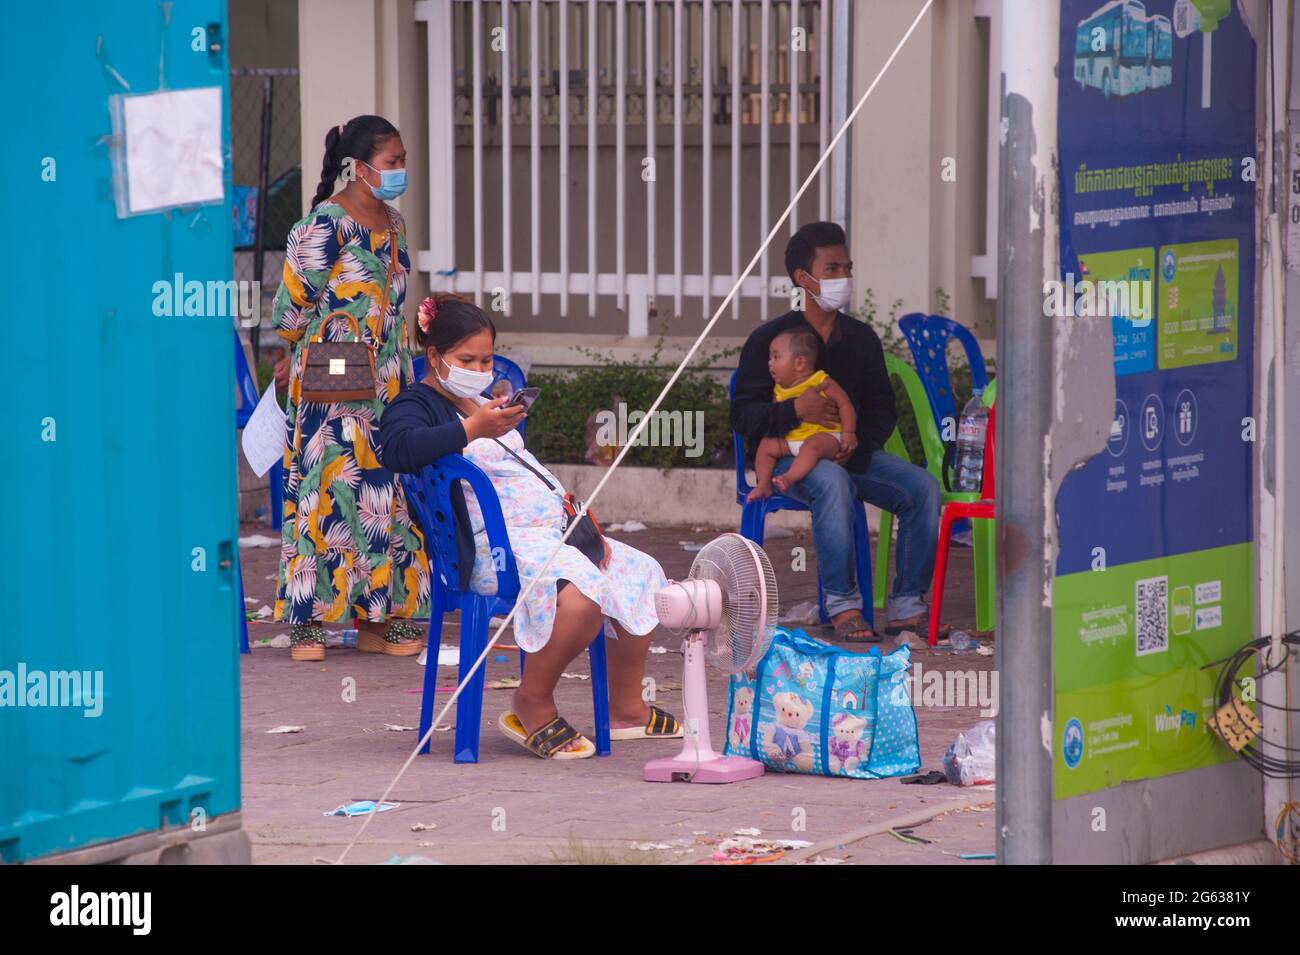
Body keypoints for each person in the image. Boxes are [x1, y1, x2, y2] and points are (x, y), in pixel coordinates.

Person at [379, 294, 682, 760]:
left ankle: (626, 710)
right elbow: (397, 450)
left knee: (642, 573)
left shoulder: (480, 401)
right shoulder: (417, 403)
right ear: (434, 357)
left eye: (485, 358)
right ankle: (532, 700)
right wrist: (473, 429)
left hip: (549, 534)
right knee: (581, 598)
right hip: (491, 551)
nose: (479, 368)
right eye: (466, 359)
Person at [730, 221, 944, 643]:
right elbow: (744, 418)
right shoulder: (769, 341)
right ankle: (843, 604)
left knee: (922, 489)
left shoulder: (862, 340)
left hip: (851, 454)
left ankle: (907, 608)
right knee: (830, 482)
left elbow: (883, 408)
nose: (843, 278)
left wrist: (854, 442)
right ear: (803, 279)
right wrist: (796, 409)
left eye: (847, 268)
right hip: (788, 460)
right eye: (831, 269)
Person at [269, 115, 431, 661]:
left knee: (383, 492)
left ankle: (375, 617)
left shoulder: (396, 225)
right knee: (327, 487)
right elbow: (289, 313)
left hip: (388, 376)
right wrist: (298, 355)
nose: (401, 171)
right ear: (361, 168)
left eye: (403, 161)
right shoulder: (323, 225)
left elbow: (395, 300)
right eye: (392, 163)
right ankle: (309, 621)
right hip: (332, 373)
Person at [746, 327, 857, 502]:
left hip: (826, 437)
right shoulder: (779, 389)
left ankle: (790, 477)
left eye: (776, 357)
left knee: (813, 445)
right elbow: (776, 418)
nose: (770, 363)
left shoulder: (821, 381)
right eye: (770, 357)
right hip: (793, 441)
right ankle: (764, 485)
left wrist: (849, 433)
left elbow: (845, 404)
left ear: (799, 363)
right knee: (767, 445)